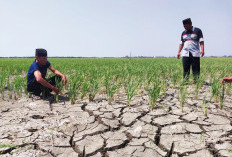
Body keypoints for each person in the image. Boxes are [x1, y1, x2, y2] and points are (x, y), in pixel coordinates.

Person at [177, 18, 204, 82]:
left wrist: (202, 50)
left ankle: (196, 82)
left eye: (186, 26)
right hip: (185, 53)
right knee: (185, 68)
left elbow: (201, 41)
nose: (185, 27)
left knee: (196, 69)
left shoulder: (198, 30)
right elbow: (181, 43)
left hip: (195, 53)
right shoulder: (183, 33)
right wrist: (178, 52)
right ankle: (185, 81)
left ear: (191, 24)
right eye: (184, 26)